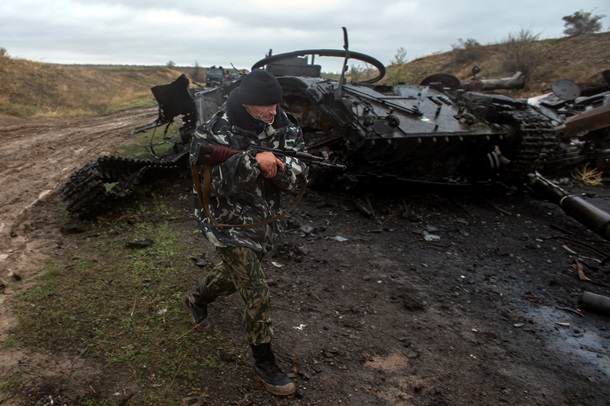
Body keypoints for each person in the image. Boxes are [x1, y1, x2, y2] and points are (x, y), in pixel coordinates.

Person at [183, 69, 309, 396]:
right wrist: (252, 163)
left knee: (233, 273)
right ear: (246, 103)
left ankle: (197, 298)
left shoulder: (285, 125)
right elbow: (209, 184)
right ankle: (265, 363)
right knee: (256, 289)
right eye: (264, 106)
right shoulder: (213, 130)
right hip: (225, 220)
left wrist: (279, 169)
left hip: (264, 220)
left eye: (276, 104)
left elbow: (300, 174)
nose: (273, 112)